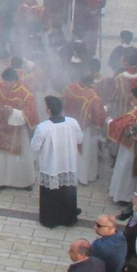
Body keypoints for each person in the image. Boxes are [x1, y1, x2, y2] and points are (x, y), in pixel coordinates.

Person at [32, 95, 84, 228]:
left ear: (48, 110)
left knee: (51, 194)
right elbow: (80, 139)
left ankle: (50, 220)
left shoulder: (43, 127)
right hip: (68, 164)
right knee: (67, 191)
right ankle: (68, 218)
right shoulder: (72, 122)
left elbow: (35, 146)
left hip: (51, 166)